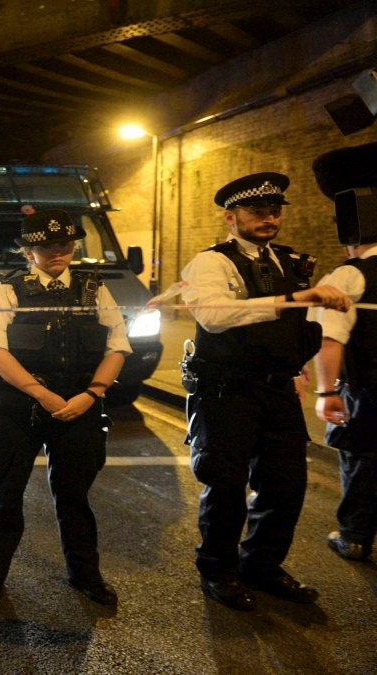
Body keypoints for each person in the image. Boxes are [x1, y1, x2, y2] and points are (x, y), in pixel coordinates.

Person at [180, 172, 350, 611]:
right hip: (226, 392)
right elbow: (214, 317)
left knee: (286, 485)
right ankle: (217, 570)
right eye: (258, 212)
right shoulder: (210, 263)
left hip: (277, 390)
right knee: (225, 486)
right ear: (230, 216)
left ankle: (261, 565)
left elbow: (295, 325)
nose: (269, 219)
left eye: (275, 211)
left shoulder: (290, 261)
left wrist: (297, 367)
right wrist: (293, 300)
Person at [0, 209, 128, 606]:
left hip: (80, 403)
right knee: (5, 494)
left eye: (63, 244)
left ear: (73, 246)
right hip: (19, 407)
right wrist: (40, 394)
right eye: (45, 246)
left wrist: (91, 394)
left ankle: (85, 575)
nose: (56, 252)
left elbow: (117, 346)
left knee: (75, 496)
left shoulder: (95, 289)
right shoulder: (7, 289)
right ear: (28, 251)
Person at [309, 143, 377, 562]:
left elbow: (328, 339)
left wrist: (326, 392)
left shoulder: (349, 276)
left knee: (362, 459)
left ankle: (353, 536)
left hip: (368, 389)